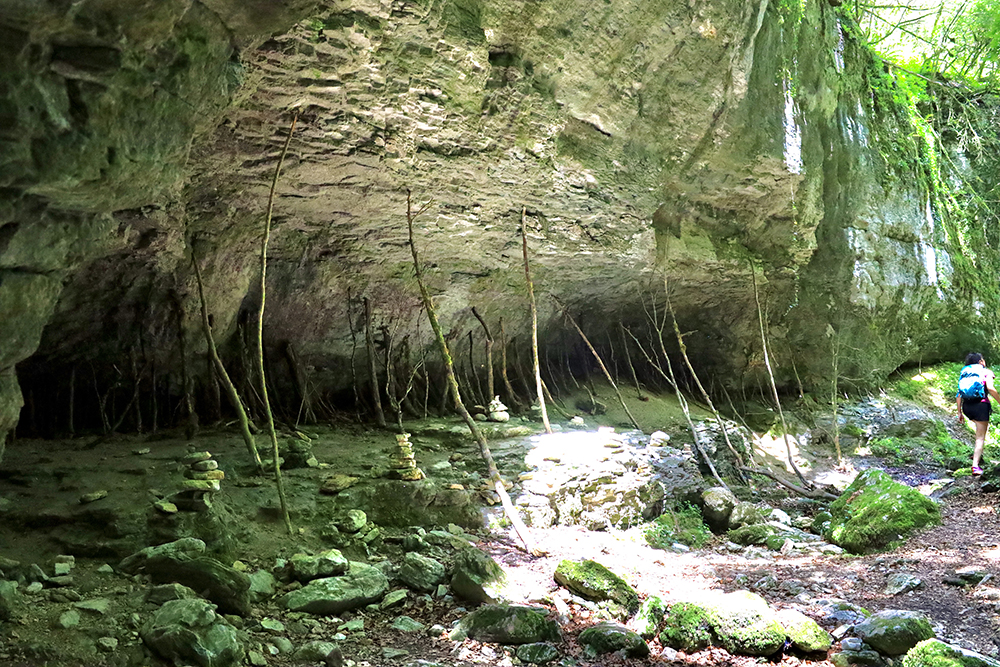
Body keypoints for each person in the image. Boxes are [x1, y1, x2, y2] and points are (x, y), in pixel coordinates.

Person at [956, 352, 1000, 475]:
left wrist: (959, 413)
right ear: (981, 361)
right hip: (980, 406)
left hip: (966, 407)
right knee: (980, 437)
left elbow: (959, 394)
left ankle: (976, 454)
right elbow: (990, 388)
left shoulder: (964, 373)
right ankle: (975, 466)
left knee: (978, 430)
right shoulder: (986, 371)